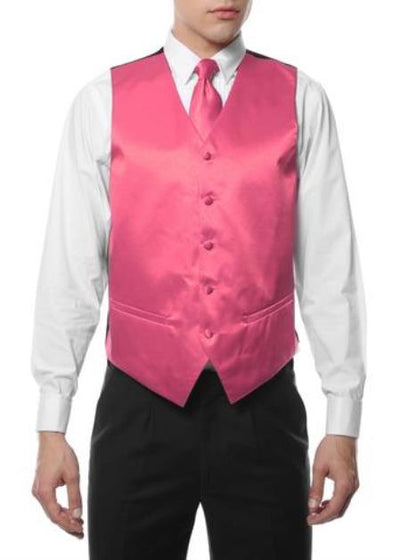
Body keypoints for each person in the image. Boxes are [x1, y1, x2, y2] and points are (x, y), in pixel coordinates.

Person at [30, 1, 367, 558]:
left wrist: (343, 420)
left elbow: (332, 267)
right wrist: (51, 424)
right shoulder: (102, 101)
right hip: (138, 410)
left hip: (263, 408)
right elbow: (70, 269)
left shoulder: (301, 99)